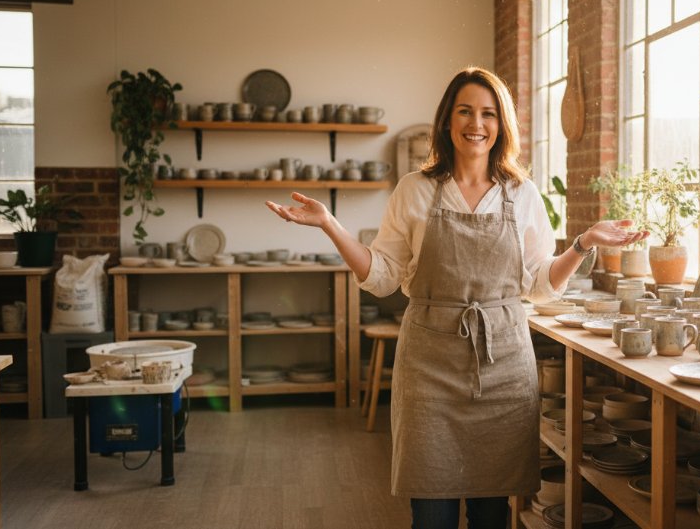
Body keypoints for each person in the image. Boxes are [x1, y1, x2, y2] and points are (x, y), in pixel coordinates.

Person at [266, 67, 648, 529]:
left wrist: (583, 243)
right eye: (465, 111)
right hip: (429, 371)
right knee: (432, 513)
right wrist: (330, 224)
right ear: (448, 120)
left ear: (501, 124)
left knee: (491, 516)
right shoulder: (415, 189)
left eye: (488, 113)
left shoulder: (521, 192)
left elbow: (540, 284)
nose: (477, 123)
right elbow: (383, 276)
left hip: (504, 366)